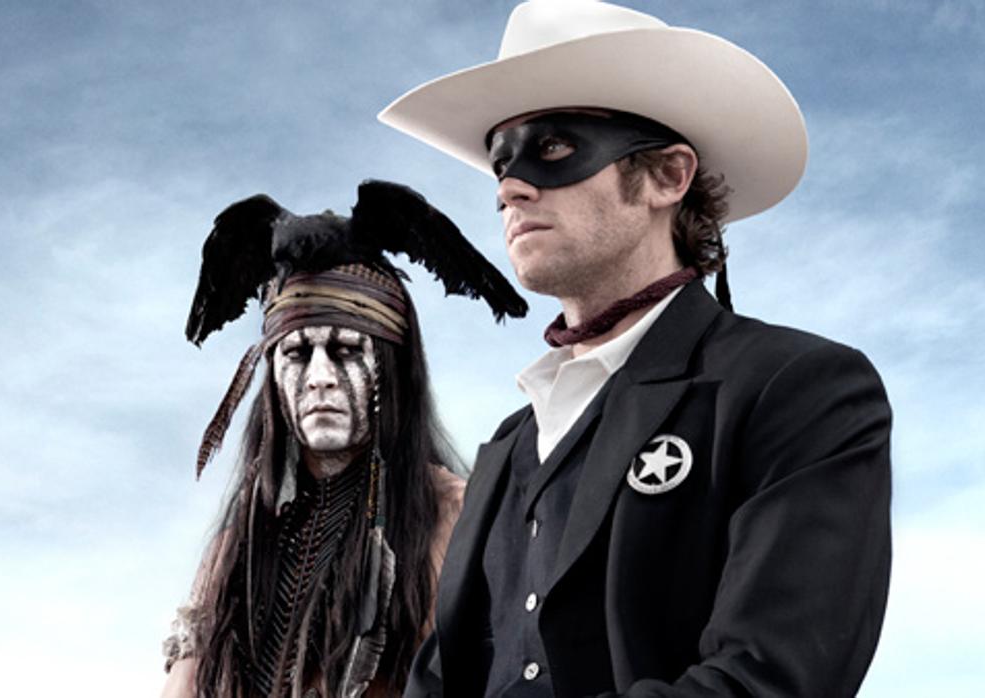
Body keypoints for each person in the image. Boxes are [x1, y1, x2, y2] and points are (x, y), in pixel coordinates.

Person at [379, 2, 892, 697]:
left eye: (552, 149)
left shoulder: (798, 388)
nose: (509, 188)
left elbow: (770, 678)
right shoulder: (504, 450)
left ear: (668, 177)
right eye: (500, 163)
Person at [160, 181, 527, 698]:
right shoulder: (237, 545)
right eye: (296, 354)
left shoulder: (453, 515)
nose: (320, 379)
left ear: (391, 371)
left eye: (346, 351)